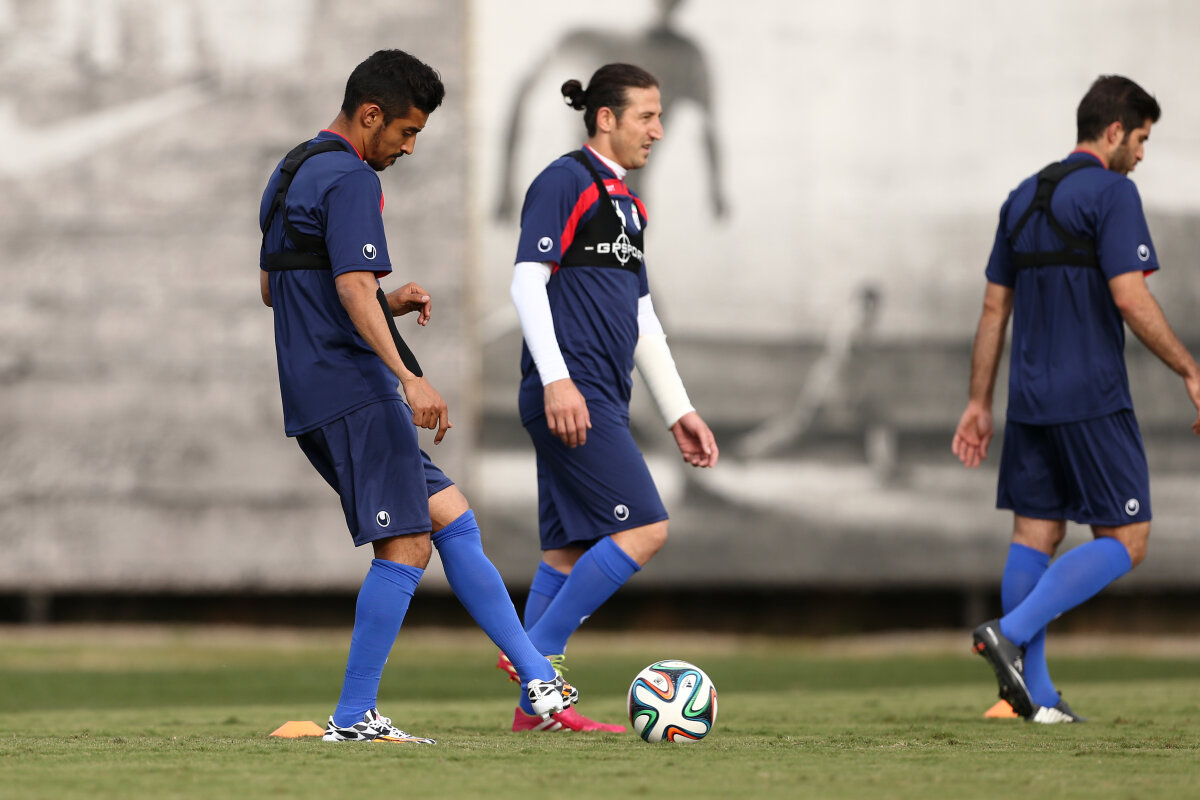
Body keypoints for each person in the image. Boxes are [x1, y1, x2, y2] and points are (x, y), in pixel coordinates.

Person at [258, 49, 577, 744]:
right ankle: (354, 717)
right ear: (370, 115)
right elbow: (349, 285)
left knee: (451, 517)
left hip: (313, 388)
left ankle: (537, 679)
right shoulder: (350, 177)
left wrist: (386, 301)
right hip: (355, 389)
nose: (407, 148)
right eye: (406, 132)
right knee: (405, 545)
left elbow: (278, 289)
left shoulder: (291, 170)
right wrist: (410, 375)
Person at [953, 75, 1200, 724]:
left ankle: (1031, 698)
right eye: (1141, 139)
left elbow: (993, 309)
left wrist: (978, 402)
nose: (1141, 154)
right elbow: (1131, 298)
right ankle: (1009, 632)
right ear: (1114, 131)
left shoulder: (1021, 197)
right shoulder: (1114, 193)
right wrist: (1189, 369)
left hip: (1028, 400)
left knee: (1035, 533)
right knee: (1129, 538)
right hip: (1092, 396)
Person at [498, 63, 719, 733]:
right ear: (606, 118)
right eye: (647, 116)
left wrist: (678, 409)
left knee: (566, 553)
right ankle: (533, 654)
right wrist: (558, 379)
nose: (659, 129)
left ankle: (536, 713)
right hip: (571, 394)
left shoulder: (629, 204)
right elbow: (526, 284)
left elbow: (641, 316)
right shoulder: (564, 181)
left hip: (598, 396)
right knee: (646, 528)